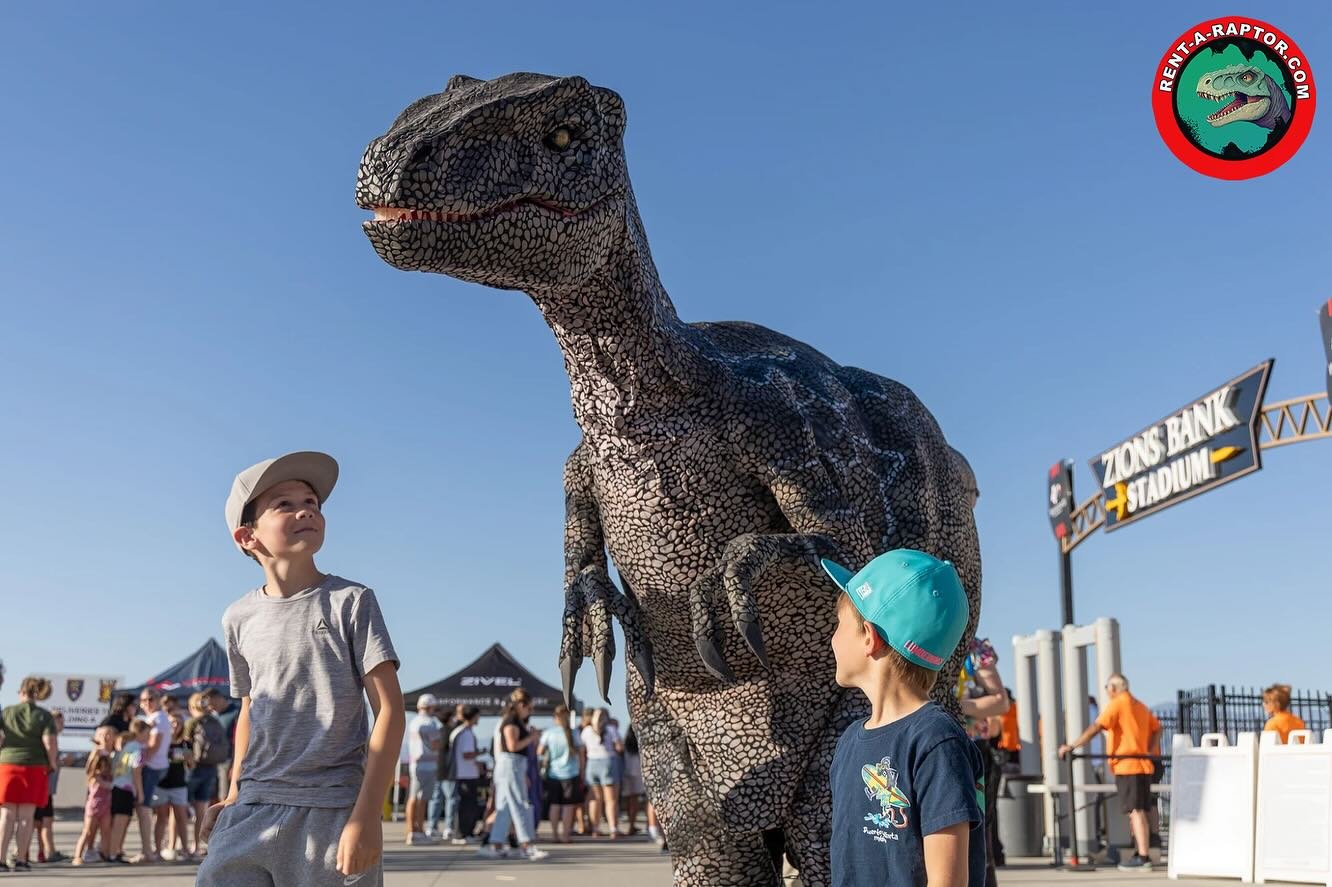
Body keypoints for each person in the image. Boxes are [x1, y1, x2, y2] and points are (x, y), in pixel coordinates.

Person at [196, 450, 405, 886]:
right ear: (247, 537)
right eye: (284, 503)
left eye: (311, 502)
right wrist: (233, 794)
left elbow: (389, 710)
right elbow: (250, 709)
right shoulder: (237, 617)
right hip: (251, 809)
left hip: (331, 811)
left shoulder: (351, 601)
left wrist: (366, 816)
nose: (306, 509)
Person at [822, 549, 985, 887]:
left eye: (838, 625)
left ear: (869, 637)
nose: (831, 639)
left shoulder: (936, 741)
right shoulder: (850, 742)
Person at [1060, 673, 1161, 872]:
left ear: (1113, 688)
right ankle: (1141, 852)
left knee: (1136, 811)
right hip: (1142, 764)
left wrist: (1072, 745)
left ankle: (1143, 856)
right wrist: (1150, 750)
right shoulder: (1140, 706)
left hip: (1128, 764)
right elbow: (1158, 728)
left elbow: (1096, 727)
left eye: (1107, 688)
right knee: (1141, 809)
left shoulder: (1118, 703)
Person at [956, 636, 1009, 887]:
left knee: (976, 827)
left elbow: (1000, 701)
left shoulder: (974, 649)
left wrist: (955, 706)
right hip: (924, 743)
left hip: (971, 749)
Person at [477, 689, 548, 861]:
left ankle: (496, 844)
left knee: (505, 807)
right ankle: (526, 845)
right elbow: (512, 746)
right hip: (511, 763)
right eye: (528, 708)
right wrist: (532, 737)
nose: (529, 712)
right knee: (520, 804)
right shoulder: (511, 721)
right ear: (520, 705)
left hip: (511, 765)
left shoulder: (513, 721)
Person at [0, 677, 60, 873]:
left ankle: (0, 860)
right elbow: (49, 743)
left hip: (7, 765)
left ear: (21, 691)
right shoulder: (43, 715)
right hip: (34, 767)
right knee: (26, 817)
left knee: (6, 815)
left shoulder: (6, 712)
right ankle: (21, 860)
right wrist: (52, 763)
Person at [183, 691, 224, 855]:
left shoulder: (192, 722)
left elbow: (185, 744)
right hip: (211, 766)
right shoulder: (215, 720)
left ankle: (181, 844)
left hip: (195, 768)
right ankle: (197, 844)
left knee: (181, 809)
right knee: (201, 809)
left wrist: (189, 761)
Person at [132, 687, 171, 863]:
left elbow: (154, 746)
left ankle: (147, 850)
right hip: (154, 767)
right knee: (148, 809)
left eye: (151, 699)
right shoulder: (152, 718)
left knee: (144, 808)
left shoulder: (159, 718)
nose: (147, 703)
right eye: (144, 700)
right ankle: (149, 849)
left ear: (158, 700)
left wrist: (138, 762)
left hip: (151, 768)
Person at [538, 704, 585, 843]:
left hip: (553, 774)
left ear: (555, 718)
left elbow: (539, 752)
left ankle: (554, 835)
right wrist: (582, 771)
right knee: (568, 806)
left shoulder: (549, 733)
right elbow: (582, 753)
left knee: (554, 805)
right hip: (571, 773)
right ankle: (565, 835)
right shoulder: (574, 733)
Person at [107, 721, 149, 864]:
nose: (148, 736)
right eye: (147, 733)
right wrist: (140, 791)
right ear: (141, 732)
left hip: (118, 786)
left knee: (119, 822)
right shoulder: (138, 748)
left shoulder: (127, 747)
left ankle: (114, 850)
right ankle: (112, 853)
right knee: (120, 822)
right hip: (125, 788)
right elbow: (136, 770)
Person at [153, 712, 194, 860]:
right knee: (161, 817)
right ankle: (157, 850)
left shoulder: (185, 742)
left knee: (181, 817)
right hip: (162, 784)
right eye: (172, 722)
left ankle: (184, 849)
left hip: (179, 784)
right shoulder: (162, 740)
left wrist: (188, 758)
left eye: (178, 723)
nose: (175, 725)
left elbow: (191, 764)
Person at [73, 725, 116, 865]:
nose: (105, 737)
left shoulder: (113, 754)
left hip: (107, 799)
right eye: (102, 735)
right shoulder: (97, 753)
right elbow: (90, 772)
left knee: (106, 829)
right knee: (88, 830)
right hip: (95, 800)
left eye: (109, 734)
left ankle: (106, 854)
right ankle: (78, 855)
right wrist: (96, 754)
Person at [405, 694, 443, 844]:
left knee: (413, 798)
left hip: (415, 763)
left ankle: (410, 831)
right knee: (423, 799)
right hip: (428, 765)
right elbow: (435, 745)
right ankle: (419, 831)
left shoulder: (414, 722)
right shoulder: (430, 723)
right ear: (430, 707)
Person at [32, 708, 67, 864]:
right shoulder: (47, 740)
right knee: (44, 821)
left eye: (61, 721)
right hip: (43, 787)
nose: (61, 724)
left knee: (40, 822)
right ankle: (48, 851)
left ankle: (42, 851)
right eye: (58, 721)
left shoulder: (54, 740)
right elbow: (46, 762)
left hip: (47, 788)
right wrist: (59, 762)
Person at [582, 708, 622, 838]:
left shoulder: (586, 731)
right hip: (608, 762)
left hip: (592, 763)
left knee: (595, 799)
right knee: (611, 800)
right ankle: (613, 829)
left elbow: (582, 749)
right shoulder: (611, 729)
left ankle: (595, 828)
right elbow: (619, 747)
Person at [450, 705, 483, 843]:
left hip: (462, 773)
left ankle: (463, 832)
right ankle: (462, 833)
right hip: (466, 774)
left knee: (465, 804)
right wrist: (480, 753)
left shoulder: (459, 731)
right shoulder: (466, 733)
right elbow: (467, 754)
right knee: (467, 805)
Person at [206, 689, 238, 802]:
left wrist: (235, 765)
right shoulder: (213, 715)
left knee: (225, 797)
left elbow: (238, 742)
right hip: (212, 763)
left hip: (228, 761)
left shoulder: (236, 713)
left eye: (212, 704)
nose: (211, 707)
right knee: (211, 797)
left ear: (219, 698)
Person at [621, 725, 645, 835]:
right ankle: (631, 824)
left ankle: (630, 825)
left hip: (626, 773)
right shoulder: (640, 744)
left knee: (628, 800)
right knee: (635, 801)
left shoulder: (625, 745)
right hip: (637, 774)